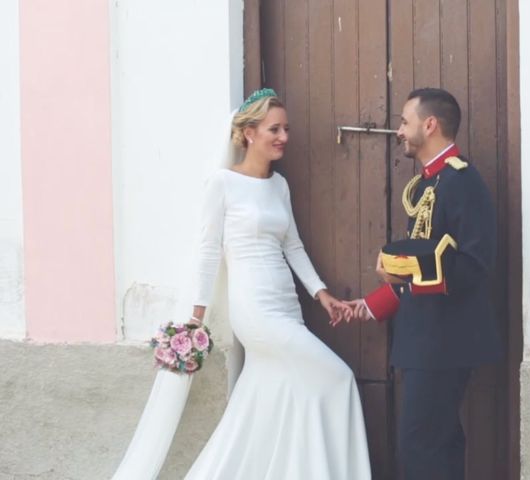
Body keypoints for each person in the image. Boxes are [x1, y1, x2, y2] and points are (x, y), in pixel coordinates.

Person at [113, 89, 371, 480]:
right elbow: (207, 252)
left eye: (286, 128)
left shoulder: (278, 186)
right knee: (338, 378)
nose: (284, 136)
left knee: (271, 396)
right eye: (274, 128)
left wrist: (321, 295)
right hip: (254, 307)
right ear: (248, 133)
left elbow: (293, 245)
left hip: (285, 302)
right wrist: (196, 319)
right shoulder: (222, 183)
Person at [346, 88, 502, 480]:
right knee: (437, 446)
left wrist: (404, 274)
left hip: (443, 342)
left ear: (429, 124)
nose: (398, 130)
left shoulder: (460, 181)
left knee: (421, 450)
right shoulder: (431, 182)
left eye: (404, 121)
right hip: (429, 341)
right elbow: (425, 262)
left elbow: (473, 264)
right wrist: (373, 303)